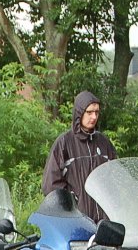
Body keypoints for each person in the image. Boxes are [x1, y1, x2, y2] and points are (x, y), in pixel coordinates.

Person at [42, 90, 118, 221]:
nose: (93, 117)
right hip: (76, 223)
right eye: (89, 112)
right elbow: (51, 186)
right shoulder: (64, 143)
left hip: (104, 225)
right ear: (79, 113)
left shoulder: (104, 144)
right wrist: (70, 209)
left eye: (96, 112)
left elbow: (116, 180)